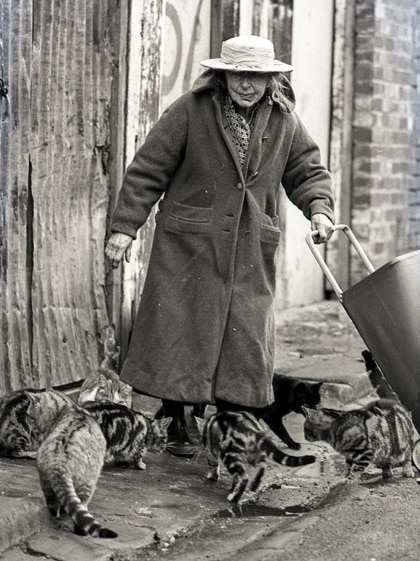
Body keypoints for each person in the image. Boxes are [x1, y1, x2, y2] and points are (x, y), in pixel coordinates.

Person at [105, 35, 335, 457]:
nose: (246, 84)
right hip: (188, 243)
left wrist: (319, 209)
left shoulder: (284, 120)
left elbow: (307, 171)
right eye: (238, 75)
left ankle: (233, 422)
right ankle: (177, 418)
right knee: (180, 328)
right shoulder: (191, 110)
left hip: (249, 247)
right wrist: (124, 227)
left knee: (245, 333)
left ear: (270, 79)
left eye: (256, 76)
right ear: (222, 75)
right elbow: (148, 168)